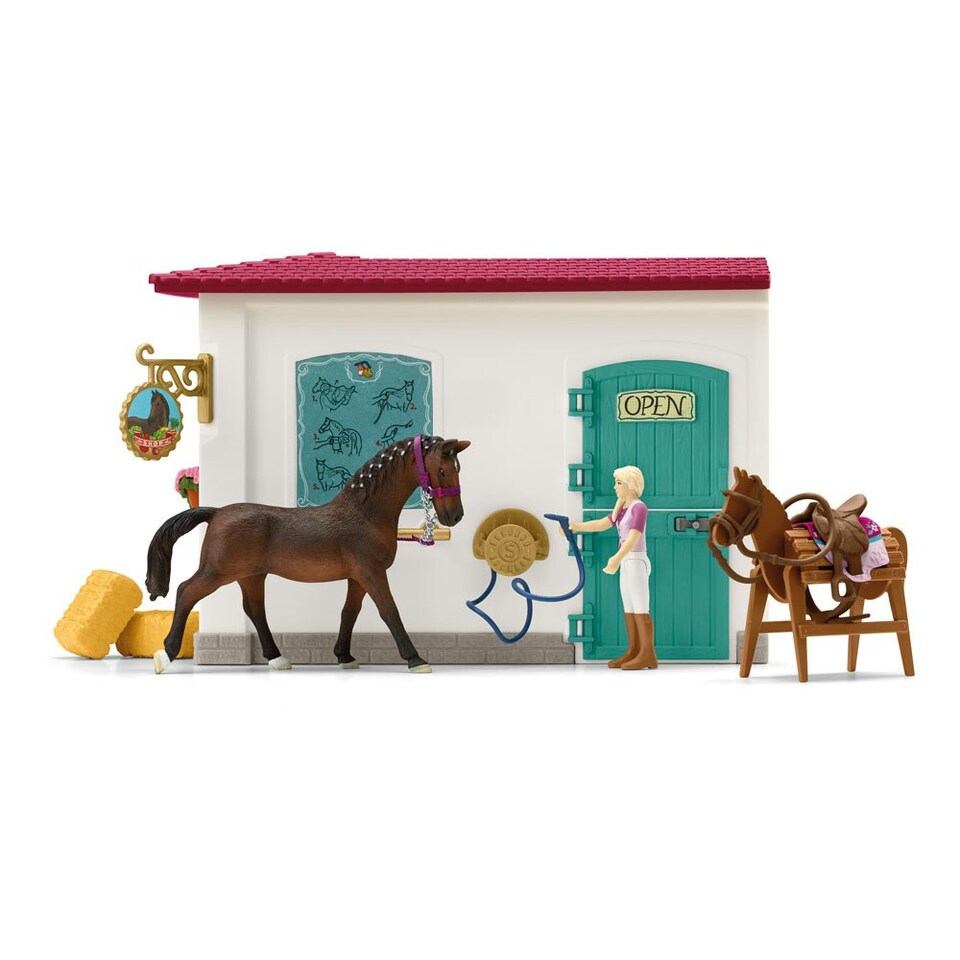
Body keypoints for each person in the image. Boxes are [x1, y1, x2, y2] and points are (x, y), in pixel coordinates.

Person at [568, 466, 657, 670]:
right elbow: (602, 524)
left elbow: (634, 537)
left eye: (618, 483)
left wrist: (616, 558)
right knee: (629, 608)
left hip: (635, 561)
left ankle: (647, 654)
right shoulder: (622, 508)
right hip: (627, 562)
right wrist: (577, 527)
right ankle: (634, 651)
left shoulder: (639, 508)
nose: (615, 487)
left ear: (631, 484)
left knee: (641, 607)